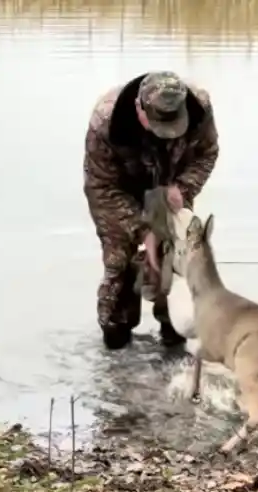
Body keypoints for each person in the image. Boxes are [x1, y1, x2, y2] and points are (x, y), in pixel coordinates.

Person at [83, 70, 220, 350]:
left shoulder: (199, 108)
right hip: (117, 191)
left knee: (176, 259)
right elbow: (102, 187)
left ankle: (173, 337)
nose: (168, 134)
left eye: (174, 125)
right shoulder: (106, 122)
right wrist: (144, 230)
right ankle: (116, 344)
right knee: (119, 264)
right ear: (139, 109)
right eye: (159, 125)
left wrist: (182, 189)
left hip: (170, 188)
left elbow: (207, 153)